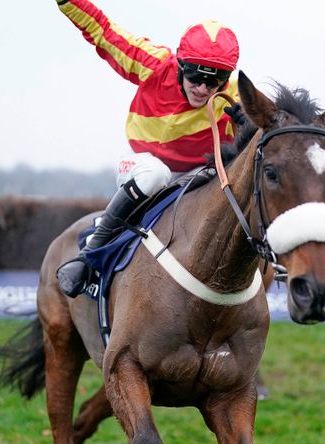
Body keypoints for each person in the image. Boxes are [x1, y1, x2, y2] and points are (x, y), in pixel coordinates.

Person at [53, 0, 242, 297]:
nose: (203, 90)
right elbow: (104, 31)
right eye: (195, 77)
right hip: (144, 164)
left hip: (198, 173)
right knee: (155, 174)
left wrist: (250, 123)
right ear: (181, 65)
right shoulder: (154, 65)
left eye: (214, 82)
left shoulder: (236, 95)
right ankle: (89, 256)